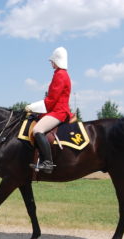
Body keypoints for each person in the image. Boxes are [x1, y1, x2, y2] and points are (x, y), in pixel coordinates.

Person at [25, 46, 73, 174]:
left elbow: (51, 99)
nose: (51, 63)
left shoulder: (60, 75)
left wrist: (32, 107)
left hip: (59, 111)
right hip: (54, 110)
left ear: (57, 60)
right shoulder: (59, 74)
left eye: (52, 61)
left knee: (37, 130)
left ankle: (47, 163)